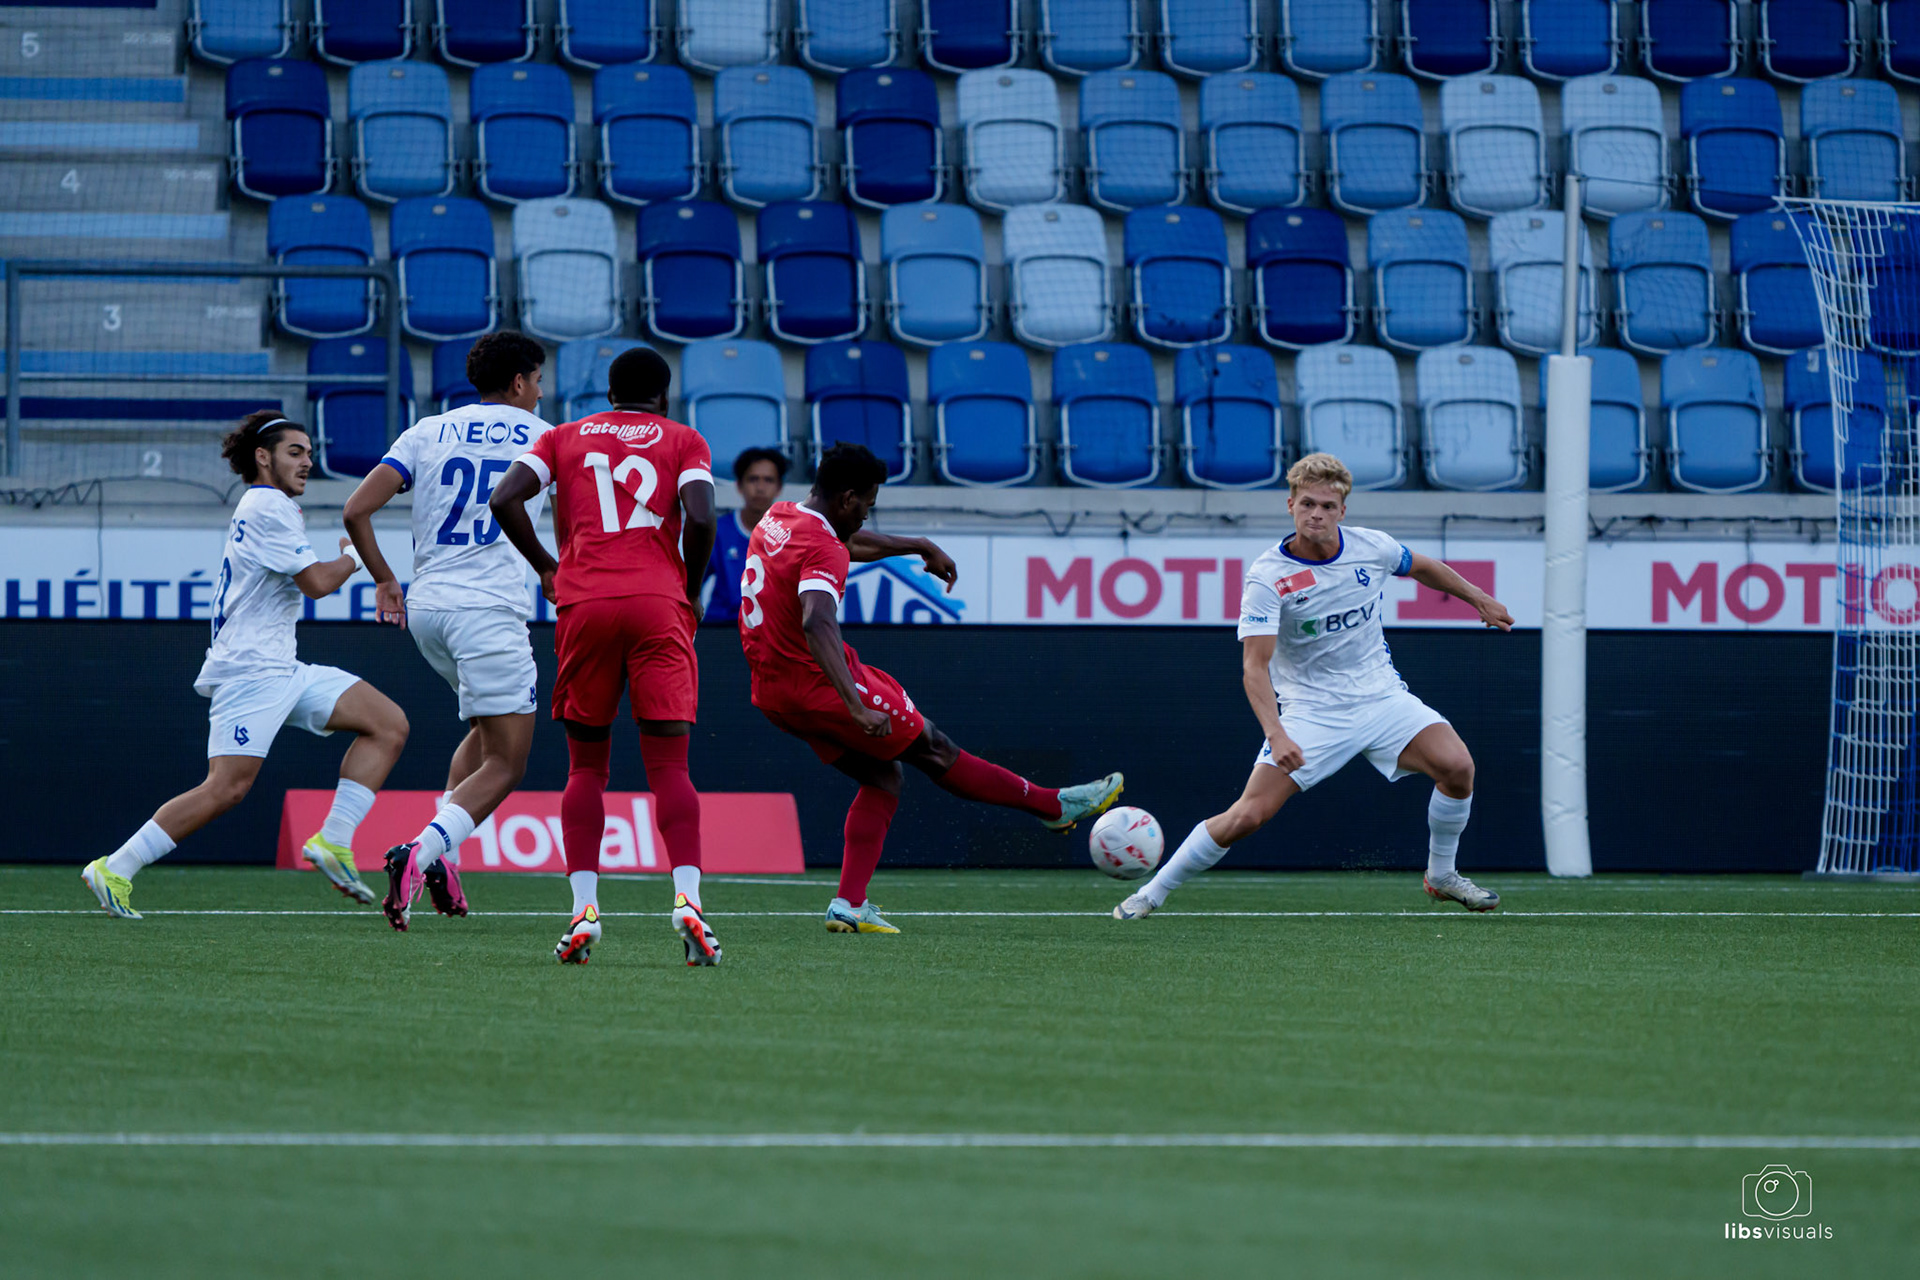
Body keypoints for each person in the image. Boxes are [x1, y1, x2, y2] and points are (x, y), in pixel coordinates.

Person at [740, 442, 1125, 934]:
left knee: (884, 778)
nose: (867, 514)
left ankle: (848, 905)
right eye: (867, 504)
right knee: (934, 748)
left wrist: (918, 544)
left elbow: (845, 543)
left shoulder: (781, 515)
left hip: (773, 691)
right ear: (847, 497)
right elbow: (818, 619)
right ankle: (1052, 806)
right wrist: (856, 707)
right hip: (819, 682)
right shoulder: (824, 546)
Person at [1113, 453, 1512, 922]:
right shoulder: (1268, 577)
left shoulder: (1372, 547)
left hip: (1382, 698)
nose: (1316, 514)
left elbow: (1423, 566)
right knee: (1249, 815)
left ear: (1343, 510)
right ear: (1290, 506)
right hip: (1311, 713)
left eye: (1327, 505)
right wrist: (1278, 733)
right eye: (1307, 504)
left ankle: (1441, 875)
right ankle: (1152, 892)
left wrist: (1479, 598)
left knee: (1458, 767)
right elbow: (1254, 668)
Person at [82, 412, 410, 918]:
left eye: (308, 454)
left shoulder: (273, 506)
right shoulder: (266, 506)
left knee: (387, 724)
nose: (307, 463)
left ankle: (333, 841)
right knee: (227, 788)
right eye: (295, 453)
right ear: (264, 457)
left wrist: (348, 559)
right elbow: (318, 583)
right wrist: (355, 559)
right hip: (251, 672)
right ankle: (115, 868)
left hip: (282, 666)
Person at [489, 347, 721, 966]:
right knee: (670, 766)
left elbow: (505, 498)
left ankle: (584, 908)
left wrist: (547, 566)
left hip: (585, 603)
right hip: (657, 604)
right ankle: (688, 902)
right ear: (663, 396)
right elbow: (701, 516)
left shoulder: (564, 436)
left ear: (610, 392)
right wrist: (690, 588)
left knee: (586, 769)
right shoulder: (684, 439)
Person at [341, 330, 553, 931]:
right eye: (537, 381)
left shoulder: (427, 431)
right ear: (518, 382)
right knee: (509, 764)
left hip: (429, 609)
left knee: (488, 739)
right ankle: (421, 851)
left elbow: (356, 509)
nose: (539, 393)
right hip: (489, 610)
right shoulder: (546, 438)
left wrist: (385, 579)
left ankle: (445, 862)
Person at [701, 446, 789, 624]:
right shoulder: (718, 530)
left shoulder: (790, 535)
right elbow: (689, 584)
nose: (760, 487)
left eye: (768, 480)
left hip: (771, 631)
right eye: (753, 479)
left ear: (779, 488)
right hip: (721, 629)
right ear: (739, 486)